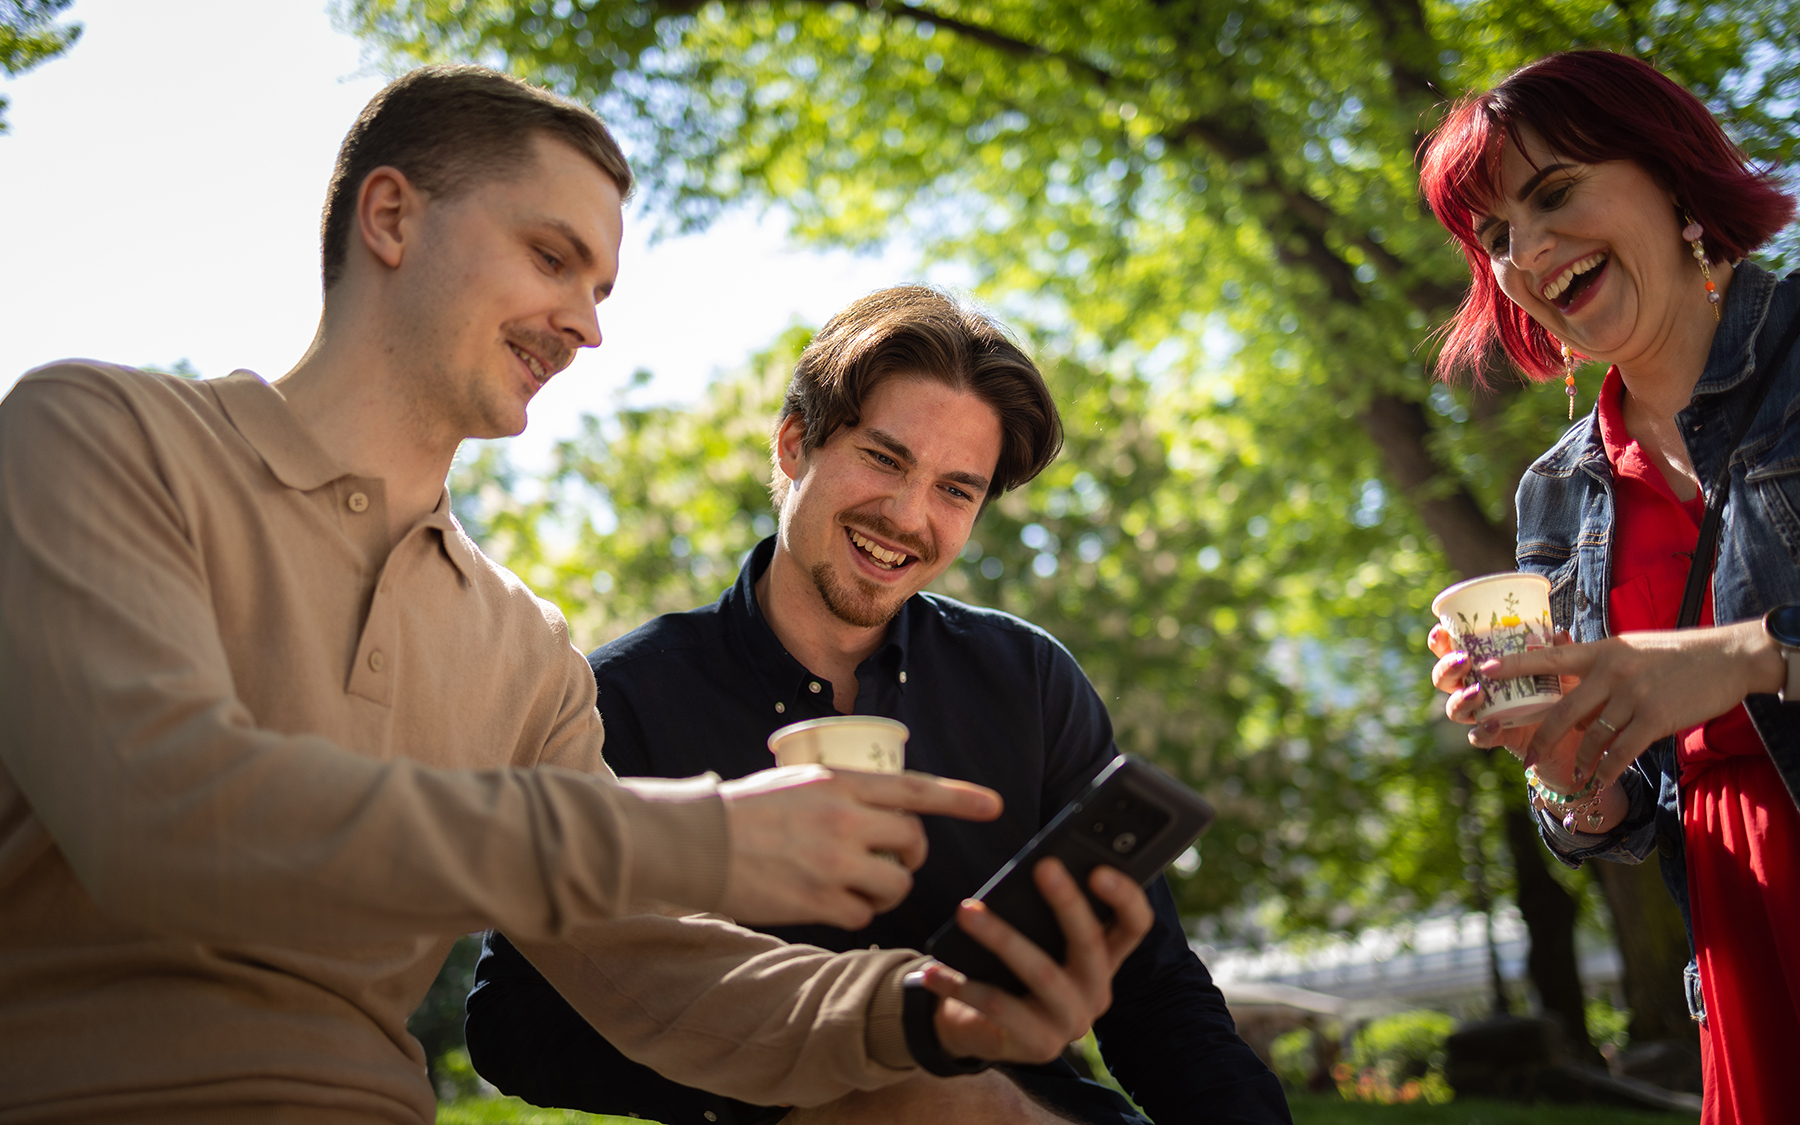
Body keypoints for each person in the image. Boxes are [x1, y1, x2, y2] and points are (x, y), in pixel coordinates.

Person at [0, 66, 1158, 1123]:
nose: (589, 326)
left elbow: (653, 968)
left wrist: (915, 1011)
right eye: (553, 258)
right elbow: (162, 813)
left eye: (601, 286)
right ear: (392, 216)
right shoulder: (99, 436)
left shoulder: (523, 649)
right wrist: (703, 832)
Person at [465, 287, 1290, 1125]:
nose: (908, 517)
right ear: (794, 445)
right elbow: (510, 1021)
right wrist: (802, 1097)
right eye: (886, 460)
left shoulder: (1029, 680)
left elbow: (1152, 991)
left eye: (956, 490)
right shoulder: (618, 702)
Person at [1417, 50, 1800, 1122]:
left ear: (1673, 178)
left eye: (1553, 194)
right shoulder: (1557, 492)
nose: (1527, 253)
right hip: (1735, 944)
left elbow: (1718, 672)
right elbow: (1630, 813)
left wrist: (1749, 656)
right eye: (1494, 239)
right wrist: (1570, 774)